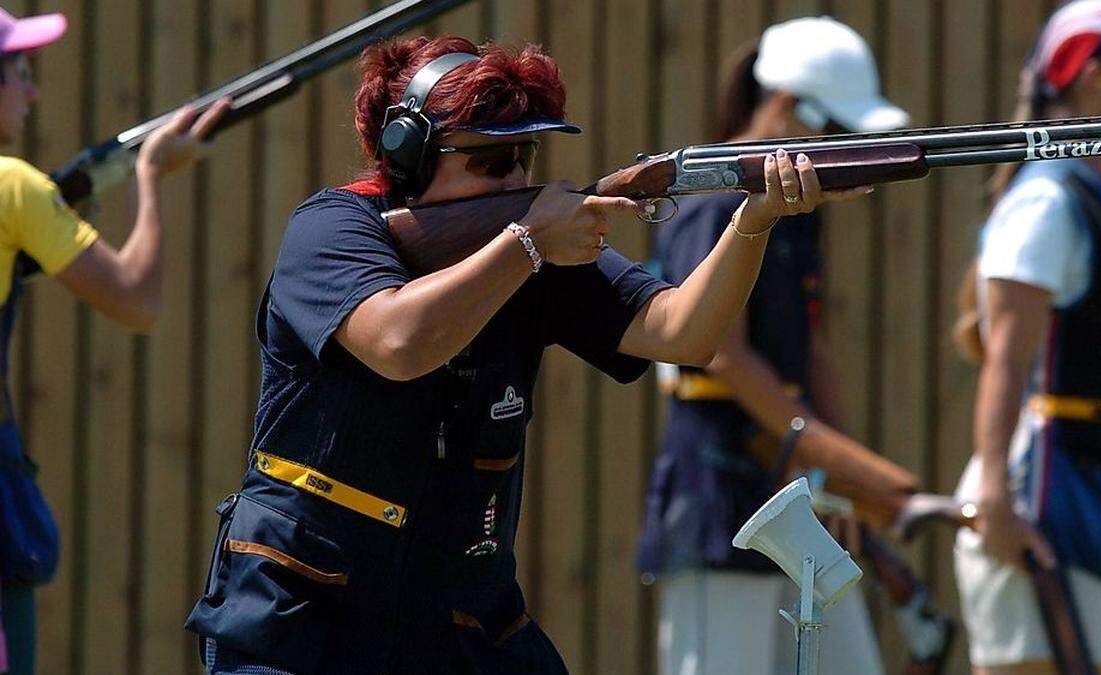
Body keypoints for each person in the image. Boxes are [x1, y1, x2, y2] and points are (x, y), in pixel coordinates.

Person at [183, 34, 870, 675]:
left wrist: (751, 219)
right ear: (410, 154)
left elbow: (682, 331)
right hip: (303, 603)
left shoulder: (534, 248)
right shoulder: (334, 228)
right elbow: (398, 342)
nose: (517, 180)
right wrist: (525, 243)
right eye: (491, 162)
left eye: (524, 159)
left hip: (457, 603)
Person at [636, 17, 927, 675]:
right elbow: (723, 354)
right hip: (717, 505)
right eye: (841, 133)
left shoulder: (797, 214)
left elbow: (812, 350)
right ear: (790, 109)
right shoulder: (714, 202)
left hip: (798, 502)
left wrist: (841, 480)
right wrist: (858, 471)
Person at [951, 1, 1101, 673]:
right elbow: (1006, 357)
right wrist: (996, 499)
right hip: (1039, 494)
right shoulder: (1049, 200)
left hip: (1100, 493)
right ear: (1093, 79)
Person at [0, 7, 228, 675]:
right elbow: (137, 299)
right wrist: (152, 176)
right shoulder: (13, 186)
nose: (33, 89)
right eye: (17, 70)